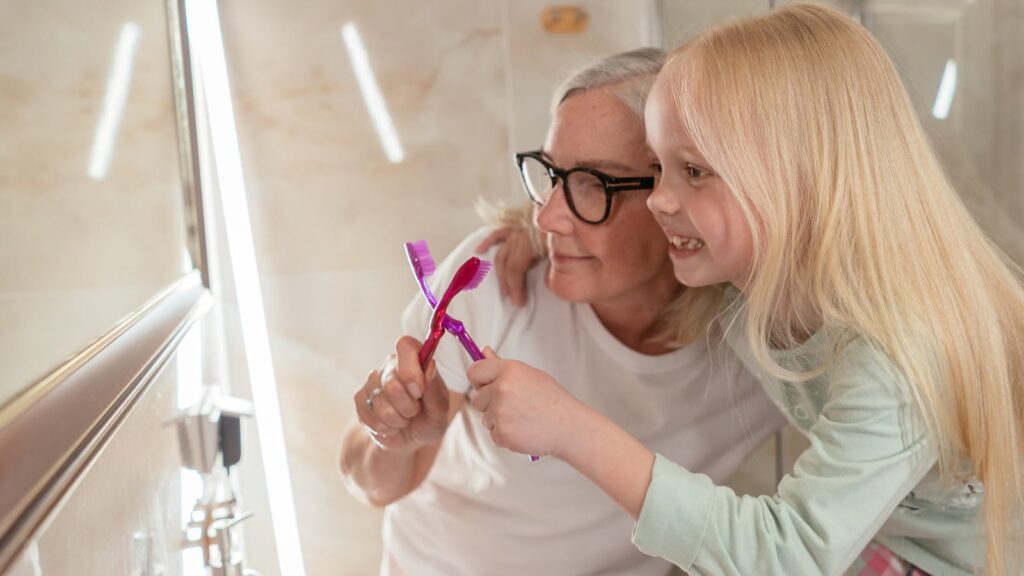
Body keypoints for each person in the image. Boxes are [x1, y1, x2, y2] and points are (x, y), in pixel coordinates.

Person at [465, 4, 1024, 576]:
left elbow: (789, 555)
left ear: (799, 179)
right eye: (658, 167)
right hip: (892, 545)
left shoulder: (899, 351)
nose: (660, 198)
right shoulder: (753, 278)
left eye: (695, 171)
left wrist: (570, 427)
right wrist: (546, 227)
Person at [338, 48, 784, 576]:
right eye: (552, 174)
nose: (548, 217)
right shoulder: (496, 281)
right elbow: (369, 484)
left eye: (596, 182)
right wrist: (394, 435)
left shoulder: (766, 345)